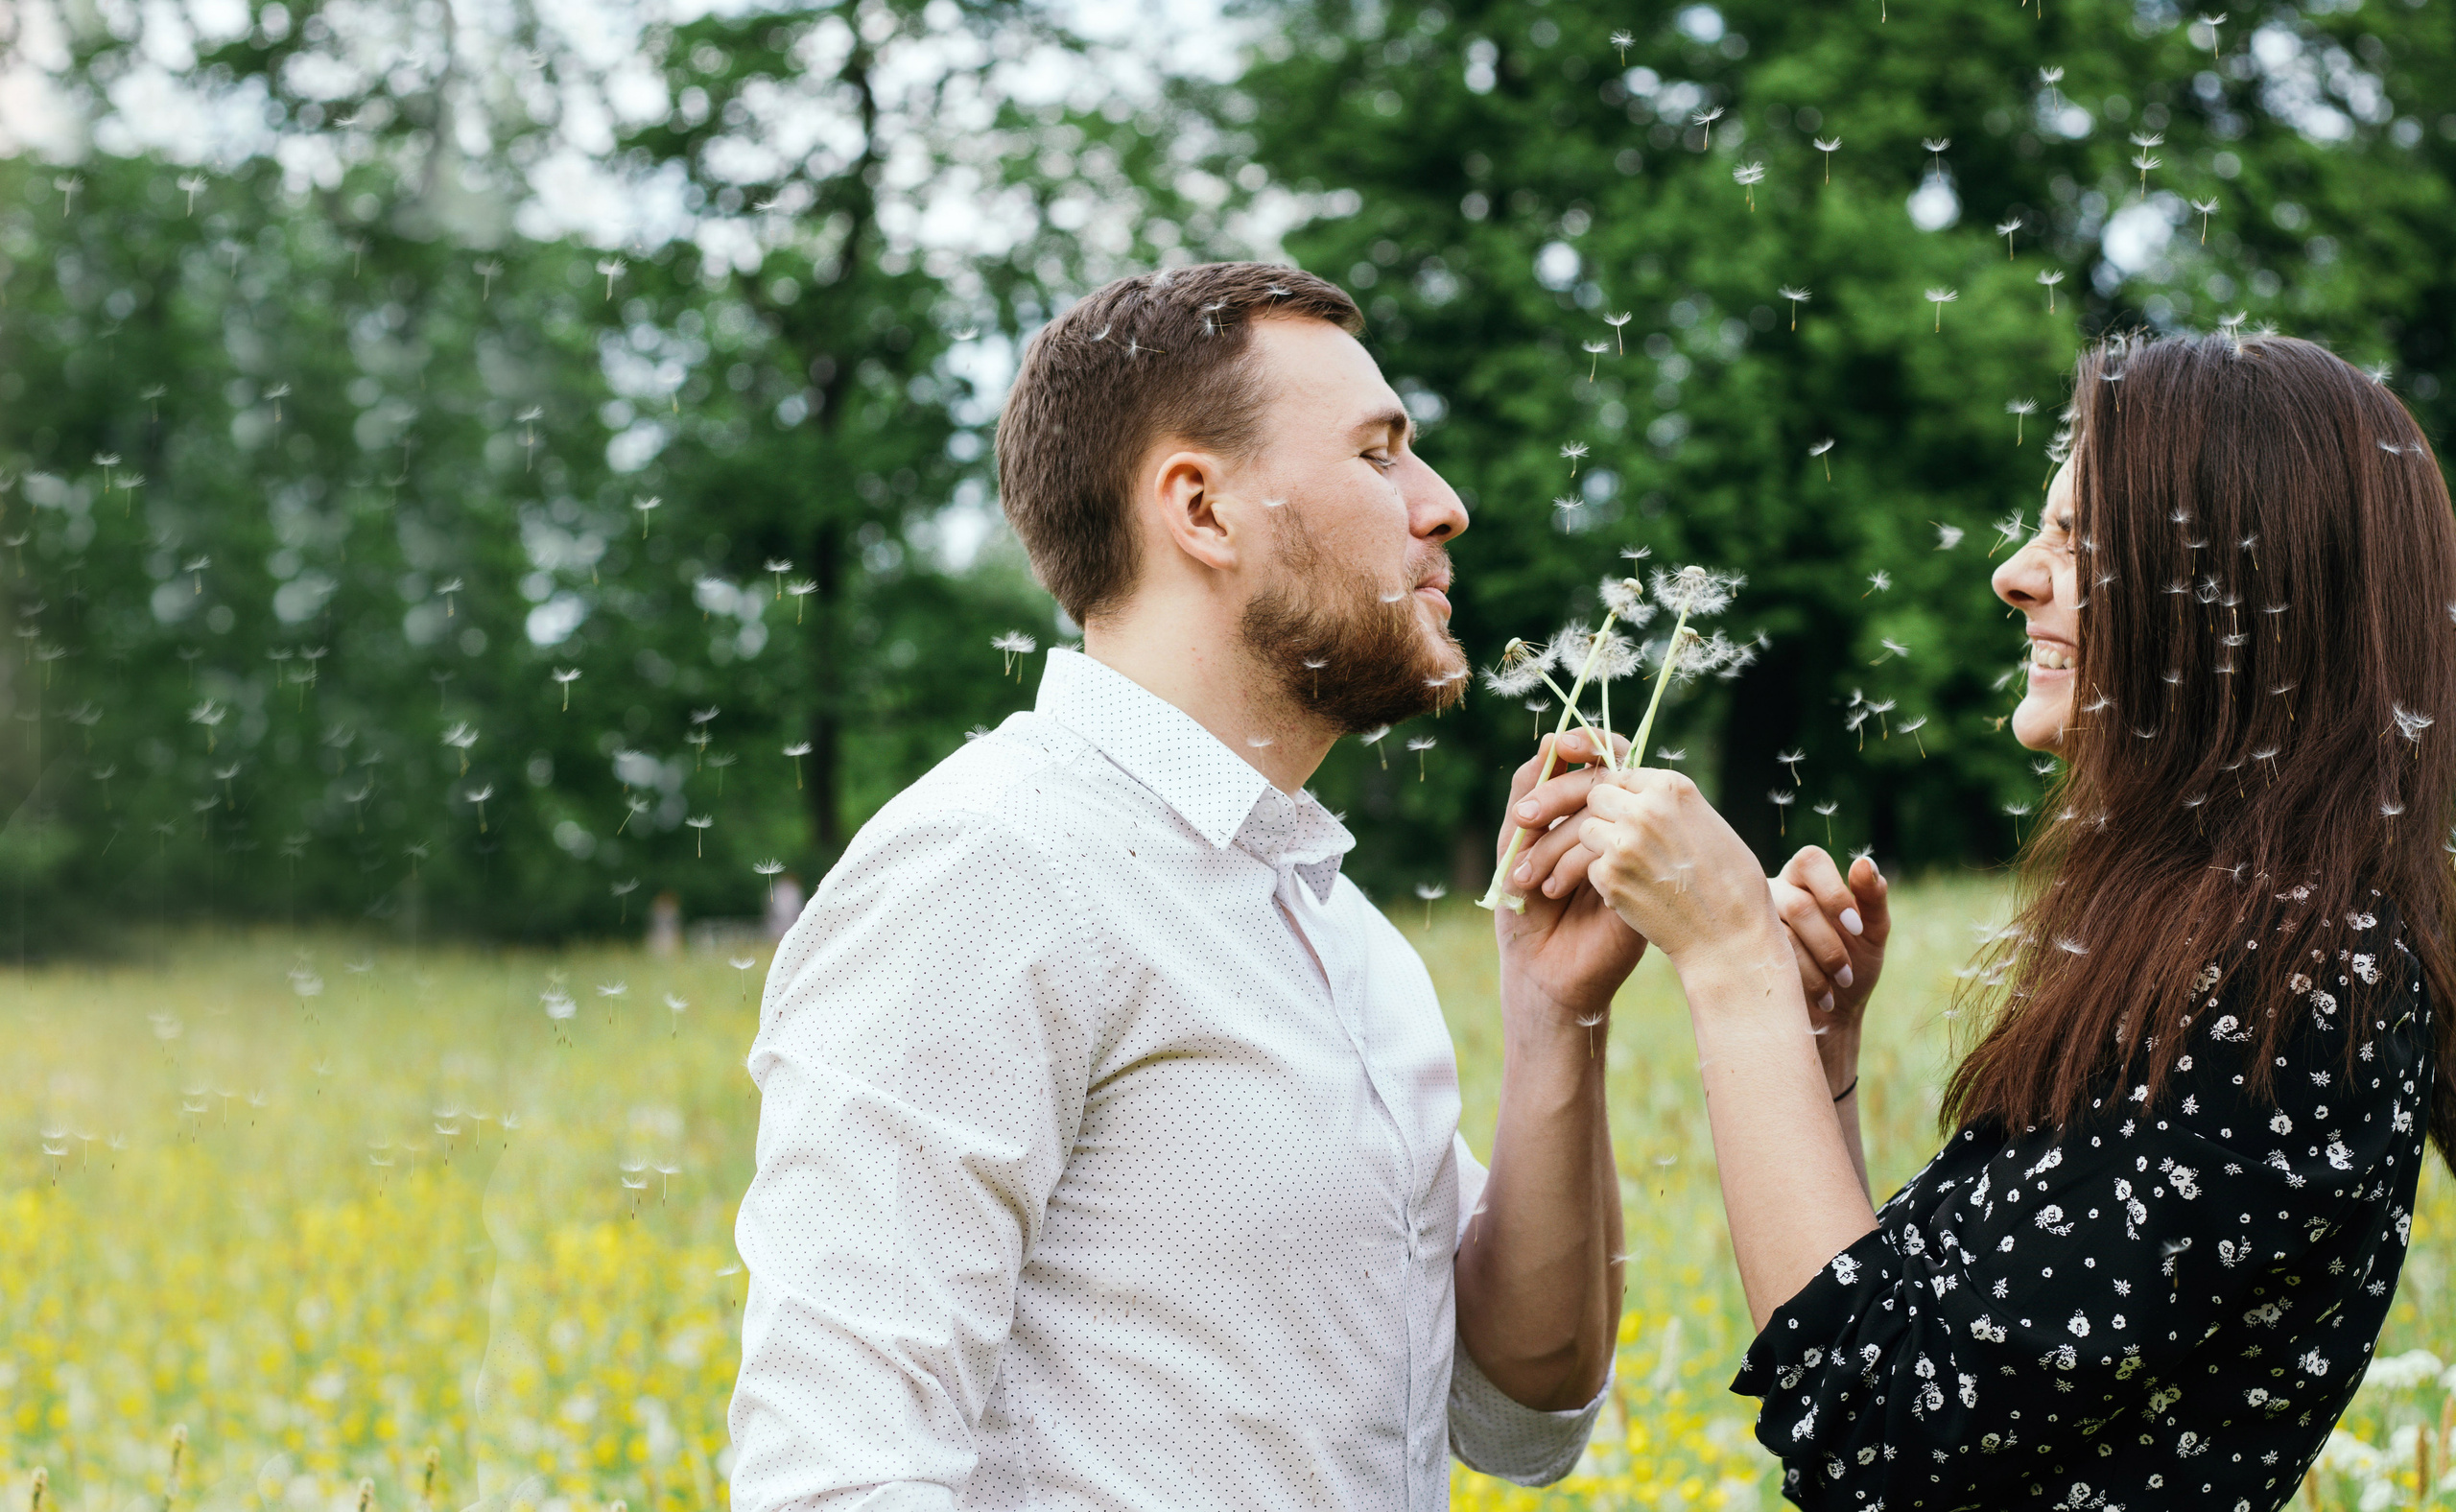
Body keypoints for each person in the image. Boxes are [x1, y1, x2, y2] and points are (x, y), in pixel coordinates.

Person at [727, 263, 1644, 1509]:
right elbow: (837, 1475)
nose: (1444, 506)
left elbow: (1518, 1415)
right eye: (1378, 454)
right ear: (1203, 510)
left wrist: (1556, 1016)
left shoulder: (1339, 929)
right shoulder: (987, 870)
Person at [1546, 331, 2453, 1509]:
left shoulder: (2295, 984)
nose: (2014, 576)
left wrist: (1730, 962)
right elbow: (1915, 1347)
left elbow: (1873, 1433)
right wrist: (1813, 1055)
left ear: (2234, 595)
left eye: (2079, 540)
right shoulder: (2226, 943)